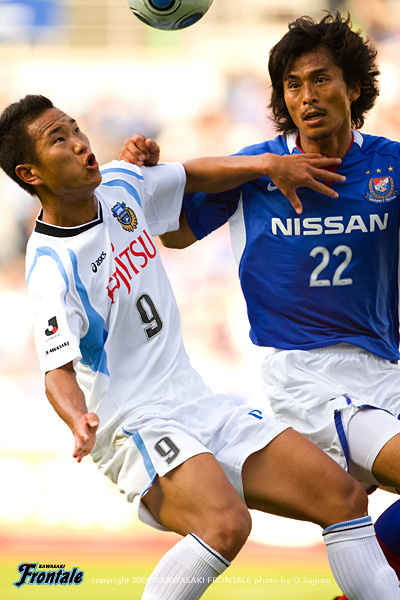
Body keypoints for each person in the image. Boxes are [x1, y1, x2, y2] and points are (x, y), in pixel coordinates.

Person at [0, 95, 398, 600]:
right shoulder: (51, 266)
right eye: (59, 139)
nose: (80, 142)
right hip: (134, 422)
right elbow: (56, 370)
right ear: (30, 173)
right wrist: (79, 420)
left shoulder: (122, 185)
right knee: (224, 524)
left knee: (342, 498)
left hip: (197, 400)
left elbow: (193, 174)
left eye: (75, 128)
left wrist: (267, 165)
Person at [120, 11, 400, 599]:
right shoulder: (255, 168)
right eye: (293, 85)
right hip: (307, 375)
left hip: (386, 367)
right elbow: (176, 235)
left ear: (354, 86)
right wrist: (147, 172)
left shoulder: (389, 166)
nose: (307, 96)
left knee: (347, 508)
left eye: (321, 79)